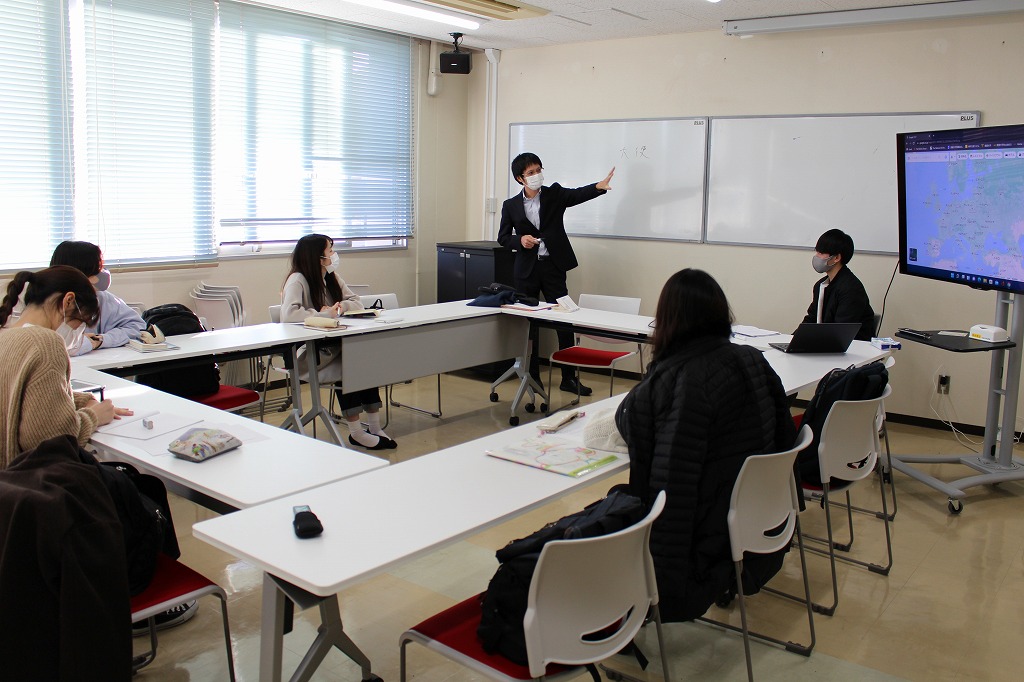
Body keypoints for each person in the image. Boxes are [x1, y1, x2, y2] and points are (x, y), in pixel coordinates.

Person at [615, 269, 796, 622]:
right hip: (754, 513)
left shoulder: (682, 379)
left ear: (667, 319)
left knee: (613, 503)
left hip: (708, 534)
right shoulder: (750, 358)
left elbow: (638, 429)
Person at [497, 152, 615, 395]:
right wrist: (520, 240)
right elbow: (503, 237)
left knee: (564, 321)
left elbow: (577, 194)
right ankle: (533, 376)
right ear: (520, 178)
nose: (536, 175)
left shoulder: (554, 194)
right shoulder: (510, 205)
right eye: (531, 172)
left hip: (553, 267)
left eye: (538, 170)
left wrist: (598, 187)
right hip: (526, 271)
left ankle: (568, 378)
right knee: (530, 324)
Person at [0, 266, 134, 469]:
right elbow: (48, 440)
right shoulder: (46, 342)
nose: (78, 332)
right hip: (24, 479)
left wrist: (83, 401)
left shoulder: (6, 336)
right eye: (80, 323)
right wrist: (94, 417)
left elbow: (24, 394)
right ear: (68, 301)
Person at [281, 234, 396, 451]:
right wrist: (323, 314)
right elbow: (289, 315)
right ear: (317, 257)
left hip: (335, 345)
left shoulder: (331, 276)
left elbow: (356, 301)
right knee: (352, 363)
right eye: (330, 250)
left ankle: (374, 427)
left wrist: (340, 308)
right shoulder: (297, 280)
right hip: (311, 352)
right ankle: (356, 432)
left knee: (365, 359)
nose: (333, 254)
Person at [49, 240, 146, 355]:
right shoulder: (44, 302)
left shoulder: (101, 298)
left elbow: (137, 327)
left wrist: (100, 340)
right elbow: (57, 347)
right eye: (98, 269)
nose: (102, 274)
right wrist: (86, 343)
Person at [801, 228, 876, 341]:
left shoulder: (851, 289)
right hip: (826, 344)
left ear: (836, 258)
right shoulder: (820, 285)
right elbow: (811, 319)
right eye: (817, 251)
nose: (816, 256)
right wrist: (792, 340)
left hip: (851, 348)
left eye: (821, 253)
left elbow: (841, 331)